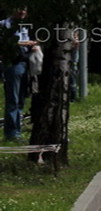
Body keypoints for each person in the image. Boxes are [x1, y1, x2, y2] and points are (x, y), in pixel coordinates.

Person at [2, 6, 36, 141]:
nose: (22, 12)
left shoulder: (27, 26)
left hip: (26, 63)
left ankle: (17, 128)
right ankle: (11, 133)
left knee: (21, 99)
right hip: (13, 63)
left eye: (25, 9)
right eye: (19, 9)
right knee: (13, 99)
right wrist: (23, 44)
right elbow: (4, 43)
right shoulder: (5, 25)